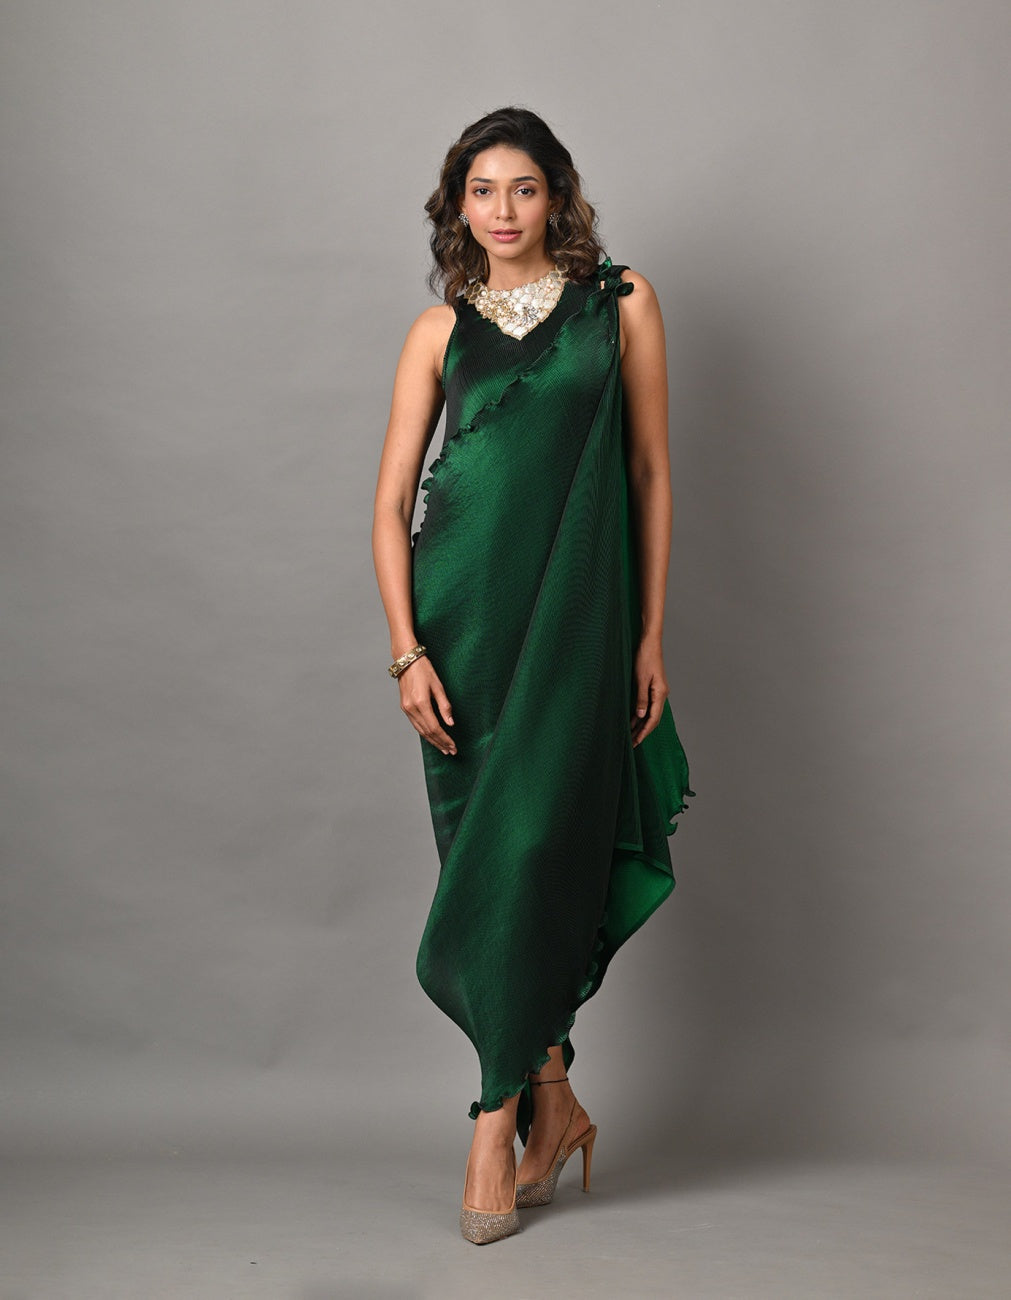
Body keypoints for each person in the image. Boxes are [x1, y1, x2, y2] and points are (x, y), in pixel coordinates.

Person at [372, 107, 694, 1244]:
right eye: (481, 191)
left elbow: (648, 473)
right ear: (457, 208)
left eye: (523, 188)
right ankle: (552, 1105)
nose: (502, 210)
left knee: (533, 852)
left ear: (556, 195)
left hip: (578, 628)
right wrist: (407, 651)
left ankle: (492, 1118)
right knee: (490, 858)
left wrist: (648, 637)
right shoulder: (437, 332)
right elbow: (389, 504)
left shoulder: (621, 303)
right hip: (459, 635)